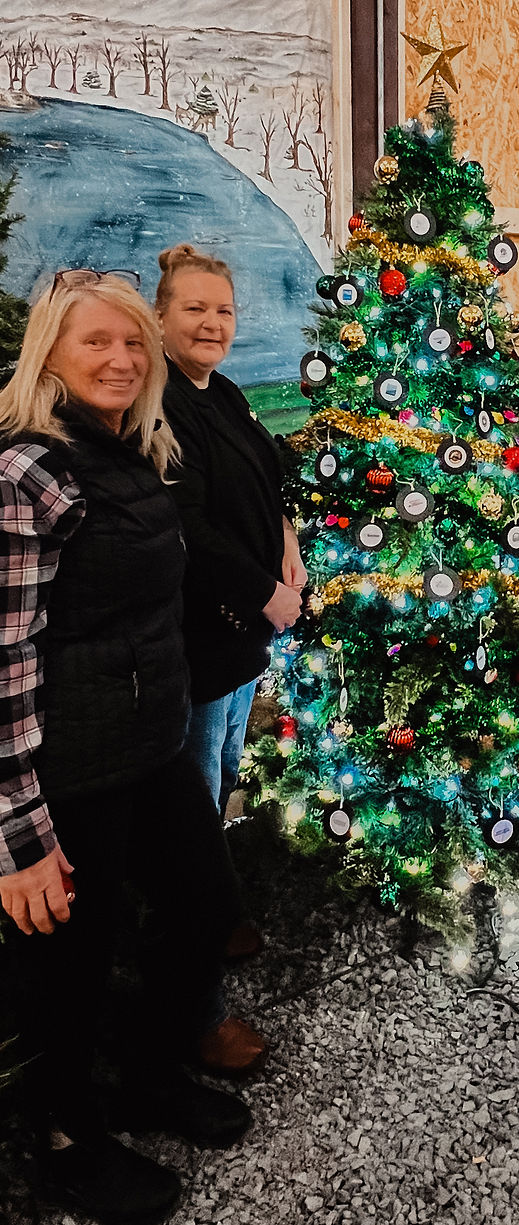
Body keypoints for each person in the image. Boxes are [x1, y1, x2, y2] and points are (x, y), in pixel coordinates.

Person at [0, 272, 262, 1224]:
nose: (118, 359)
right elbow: (2, 657)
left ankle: (152, 1074)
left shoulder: (134, 451)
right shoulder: (30, 472)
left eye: (131, 345)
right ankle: (70, 1138)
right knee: (71, 960)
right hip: (66, 768)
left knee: (204, 905)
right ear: (52, 357)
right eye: (95, 344)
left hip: (151, 745)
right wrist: (21, 835)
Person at [156, 243, 305, 829]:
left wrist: (287, 537)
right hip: (204, 636)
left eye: (224, 311)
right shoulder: (161, 402)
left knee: (224, 768)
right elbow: (186, 524)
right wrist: (265, 594)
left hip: (245, 635)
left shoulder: (222, 391)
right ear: (160, 316)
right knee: (197, 786)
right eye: (196, 309)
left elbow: (263, 482)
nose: (212, 324)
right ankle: (194, 908)